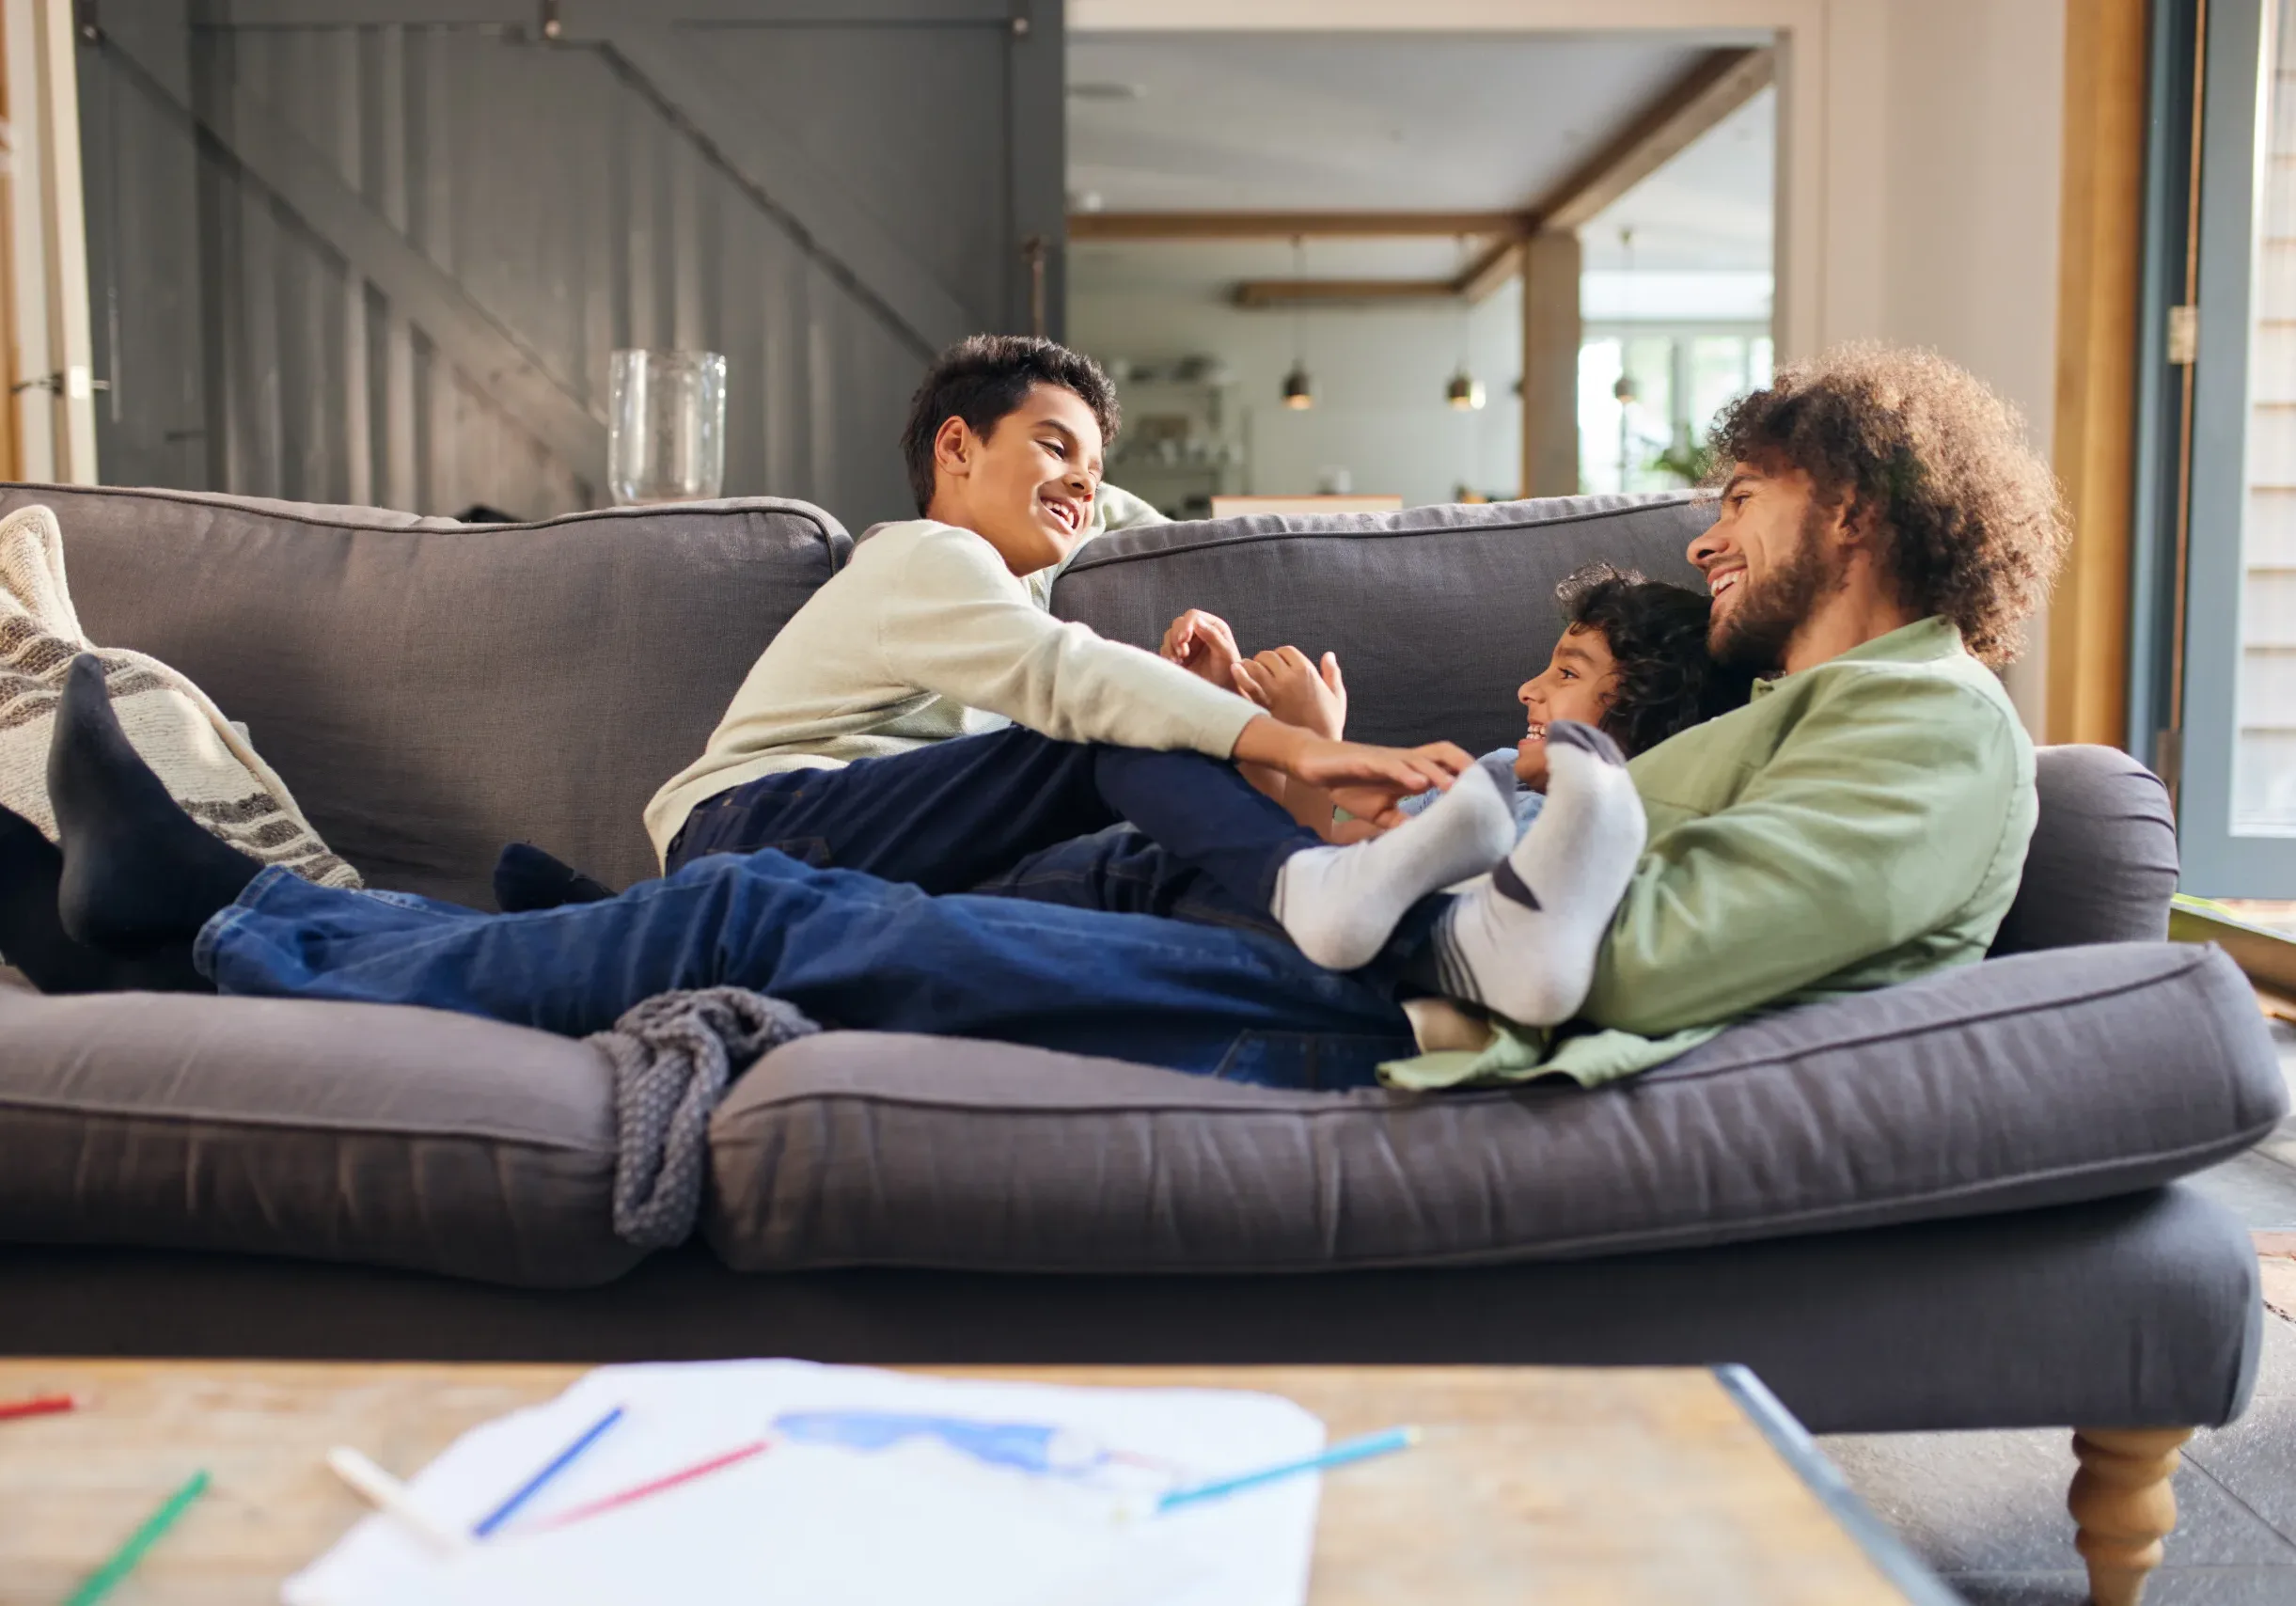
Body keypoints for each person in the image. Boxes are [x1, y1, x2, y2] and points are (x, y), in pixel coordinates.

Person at [0, 344, 2067, 1094]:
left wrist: (1376, 800)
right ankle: (209, 916)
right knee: (784, 909)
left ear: (1860, 508)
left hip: (1412, 1010)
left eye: (1747, 496)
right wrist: (1334, 764)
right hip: (1386, 951)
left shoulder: (1938, 732)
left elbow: (1665, 946)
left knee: (778, 925)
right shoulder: (1791, 711)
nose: (1714, 535)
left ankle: (207, 920)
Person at [509, 330, 1508, 971]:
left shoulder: (1027, 564)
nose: (1081, 483)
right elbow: (1066, 679)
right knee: (1103, 728)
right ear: (955, 449)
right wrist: (1291, 748)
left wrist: (1200, 660)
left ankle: (1446, 938)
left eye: (1095, 464)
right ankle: (1317, 866)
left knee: (1142, 866)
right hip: (754, 825)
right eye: (1052, 445)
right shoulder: (926, 559)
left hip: (887, 864)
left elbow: (1133, 519)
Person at [973, 563, 1753, 932]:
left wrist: (1315, 741)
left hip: (1257, 904)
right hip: (1242, 880)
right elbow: (1278, 847)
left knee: (1111, 851)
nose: (1529, 688)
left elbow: (1319, 869)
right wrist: (1239, 720)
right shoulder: (1496, 772)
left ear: (1650, 699)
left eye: (1568, 671)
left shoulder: (1562, 824)